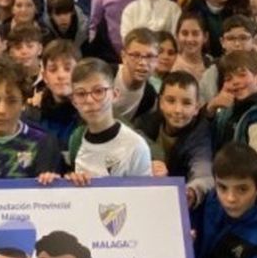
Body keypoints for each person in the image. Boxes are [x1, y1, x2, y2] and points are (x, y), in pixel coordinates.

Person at [135, 70, 213, 205]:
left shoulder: (200, 135)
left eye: (186, 103)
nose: (178, 110)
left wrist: (190, 192)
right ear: (161, 103)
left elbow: (203, 172)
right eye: (170, 101)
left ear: (197, 108)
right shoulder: (144, 125)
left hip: (181, 204)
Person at [67, 58, 153, 179]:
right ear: (74, 101)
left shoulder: (136, 146)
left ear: (115, 94)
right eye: (81, 94)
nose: (90, 100)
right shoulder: (76, 140)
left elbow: (144, 195)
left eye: (98, 91)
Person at [25, 40, 81, 143]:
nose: (60, 75)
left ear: (78, 73)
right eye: (53, 69)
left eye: (67, 69)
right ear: (45, 76)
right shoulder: (33, 114)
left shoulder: (88, 114)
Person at [113, 28, 162, 123]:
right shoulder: (106, 75)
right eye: (135, 55)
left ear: (157, 60)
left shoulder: (149, 97)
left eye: (149, 56)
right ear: (123, 56)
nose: (143, 62)